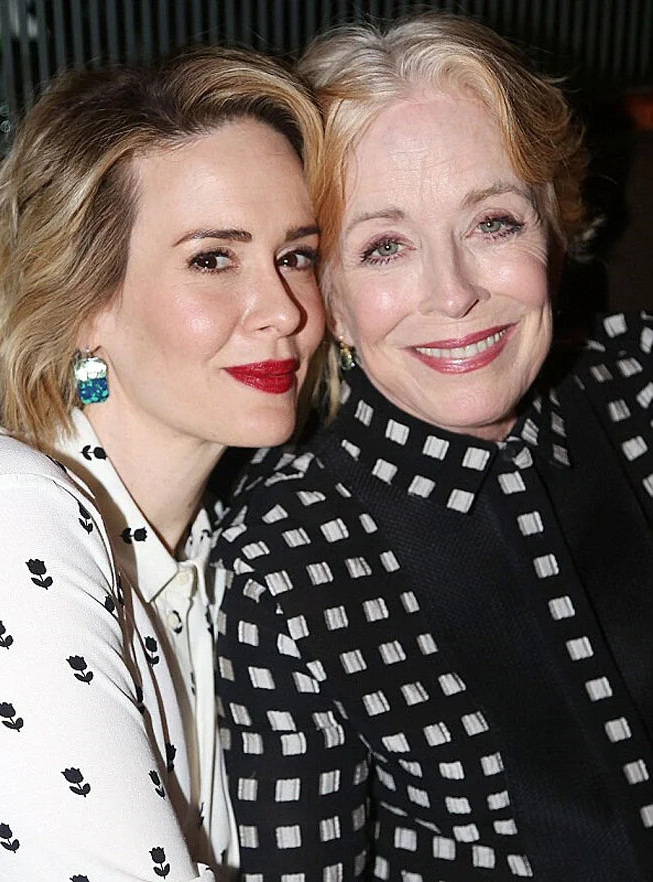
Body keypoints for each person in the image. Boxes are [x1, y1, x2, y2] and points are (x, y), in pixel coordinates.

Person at [212, 13, 653, 881]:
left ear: (554, 229)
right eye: (384, 247)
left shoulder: (643, 378)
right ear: (327, 295)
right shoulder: (281, 565)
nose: (452, 295)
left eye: (493, 223)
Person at [0, 47, 324, 882]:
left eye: (297, 255)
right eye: (212, 259)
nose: (283, 310)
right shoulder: (3, 513)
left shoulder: (223, 543)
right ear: (86, 301)